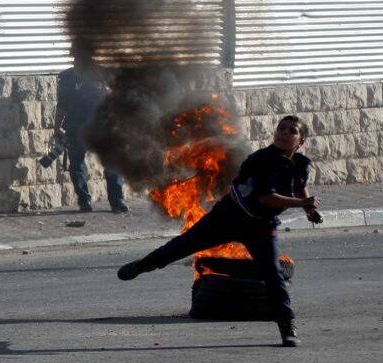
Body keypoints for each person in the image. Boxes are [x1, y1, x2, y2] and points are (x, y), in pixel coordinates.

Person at [116, 115, 323, 347]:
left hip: (260, 227)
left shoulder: (301, 163)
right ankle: (142, 265)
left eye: (291, 131)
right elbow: (267, 198)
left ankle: (287, 328)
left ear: (301, 141)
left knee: (274, 277)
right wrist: (303, 204)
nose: (284, 133)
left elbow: (299, 186)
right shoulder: (261, 160)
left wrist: (309, 211)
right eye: (281, 128)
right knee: (183, 245)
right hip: (228, 217)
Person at [54, 41, 128, 213]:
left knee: (106, 163)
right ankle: (91, 202)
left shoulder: (101, 75)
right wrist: (56, 128)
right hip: (79, 126)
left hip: (100, 126)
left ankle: (112, 201)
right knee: (79, 164)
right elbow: (62, 106)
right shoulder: (68, 78)